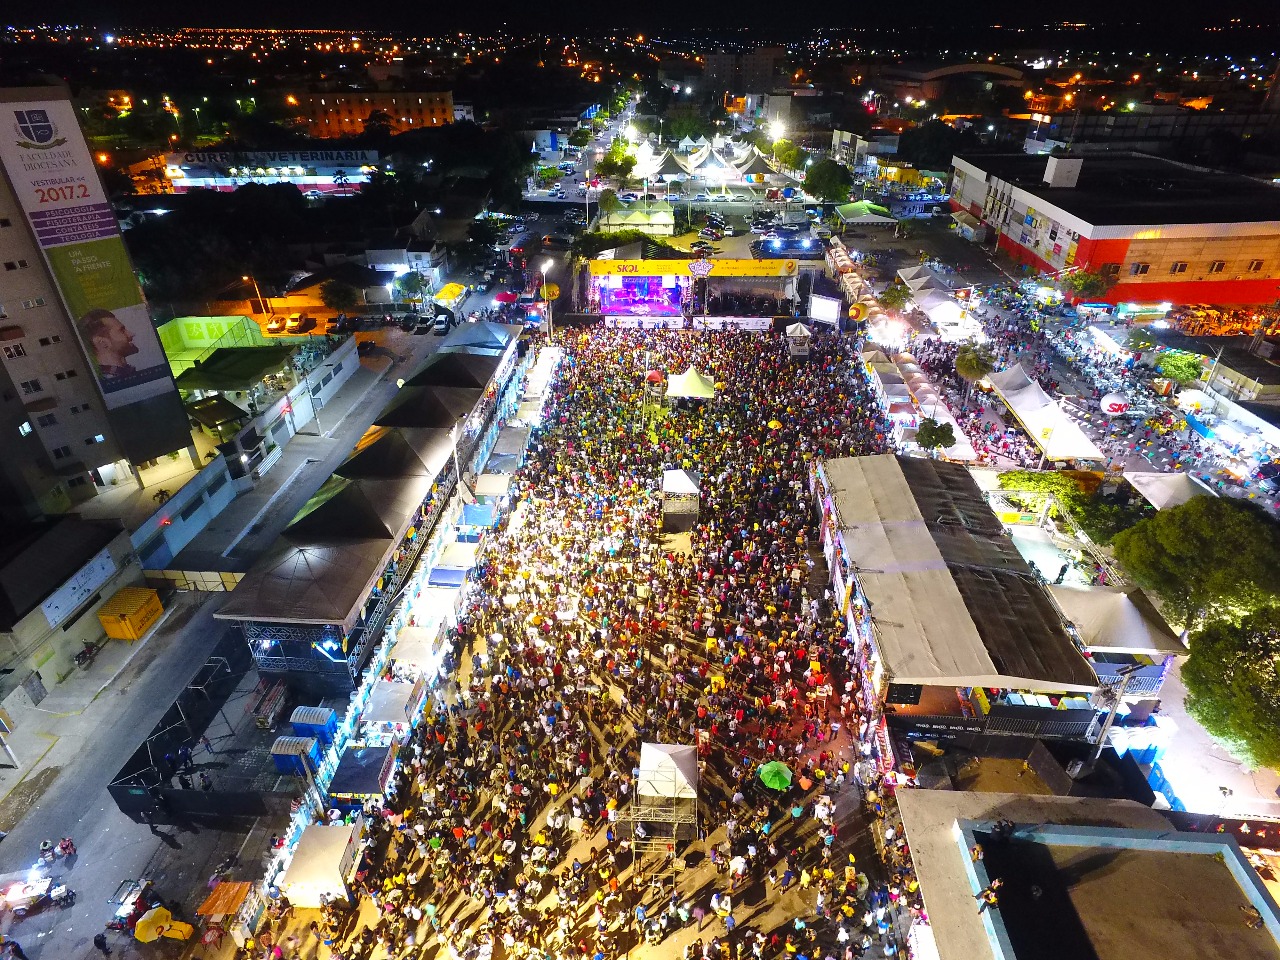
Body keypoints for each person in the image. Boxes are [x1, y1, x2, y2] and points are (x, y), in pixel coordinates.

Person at [79, 308, 140, 379]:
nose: (131, 334)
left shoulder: (125, 374)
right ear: (102, 342)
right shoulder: (111, 381)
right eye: (122, 331)